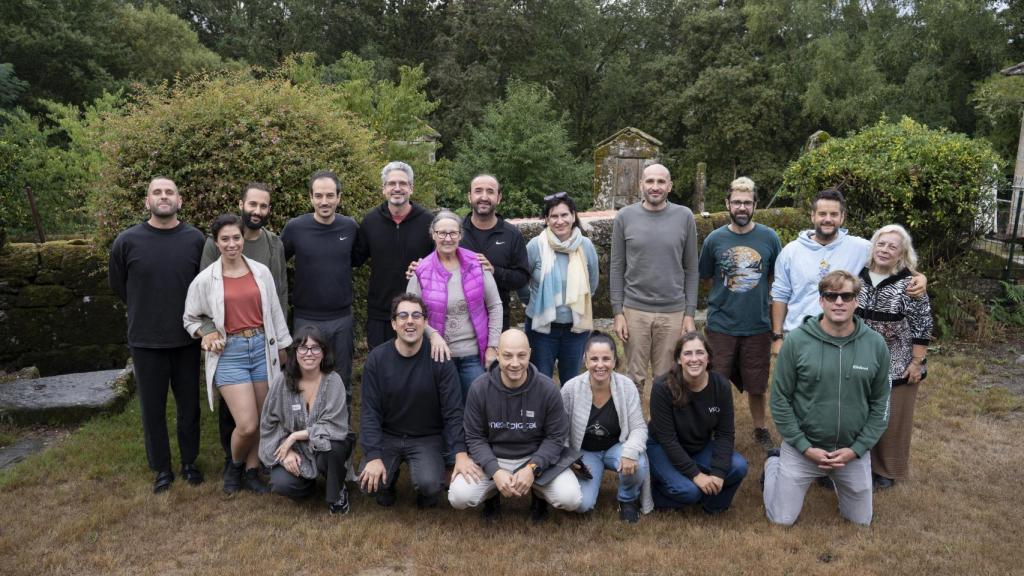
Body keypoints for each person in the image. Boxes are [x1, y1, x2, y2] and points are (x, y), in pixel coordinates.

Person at [764, 270, 891, 526]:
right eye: (831, 296)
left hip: (850, 452)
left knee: (861, 521)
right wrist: (803, 446)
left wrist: (857, 449)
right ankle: (774, 463)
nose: (839, 302)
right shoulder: (796, 341)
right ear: (821, 300)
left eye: (846, 296)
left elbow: (881, 404)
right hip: (803, 449)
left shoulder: (876, 344)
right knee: (781, 519)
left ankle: (843, 479)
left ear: (857, 300)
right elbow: (779, 400)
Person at [109, 176, 206, 493]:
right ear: (147, 201)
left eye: (169, 192)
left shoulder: (195, 240)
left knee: (189, 407)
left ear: (179, 201)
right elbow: (119, 286)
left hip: (187, 339)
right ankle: (161, 468)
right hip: (145, 340)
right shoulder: (127, 241)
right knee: (152, 410)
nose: (163, 196)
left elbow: (205, 288)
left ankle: (189, 462)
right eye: (157, 192)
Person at [183, 213, 292, 494]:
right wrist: (207, 333)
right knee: (247, 424)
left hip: (262, 348)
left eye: (236, 238)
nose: (232, 244)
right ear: (216, 243)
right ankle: (234, 465)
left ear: (243, 239)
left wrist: (282, 346)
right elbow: (191, 317)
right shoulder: (206, 279)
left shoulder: (261, 272)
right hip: (230, 354)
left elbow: (274, 312)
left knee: (264, 419)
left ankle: (252, 471)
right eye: (225, 239)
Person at [357, 294, 483, 508]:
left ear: (425, 322)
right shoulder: (377, 359)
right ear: (393, 323)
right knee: (367, 484)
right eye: (403, 316)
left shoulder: (440, 358)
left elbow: (453, 412)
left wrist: (460, 453)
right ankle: (387, 485)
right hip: (389, 435)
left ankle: (426, 492)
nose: (410, 321)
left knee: (430, 484)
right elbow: (370, 412)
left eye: (416, 316)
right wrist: (373, 456)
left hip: (426, 437)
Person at [771, 187, 926, 354]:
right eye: (822, 214)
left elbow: (891, 261)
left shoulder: (860, 247)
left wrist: (920, 277)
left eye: (834, 214)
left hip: (843, 341)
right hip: (799, 336)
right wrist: (777, 336)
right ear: (813, 216)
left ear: (842, 217)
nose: (828, 219)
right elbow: (780, 295)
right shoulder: (791, 251)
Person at [449, 329, 583, 522]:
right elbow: (475, 437)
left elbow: (555, 437)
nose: (514, 363)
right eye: (507, 355)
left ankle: (539, 496)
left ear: (529, 353)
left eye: (521, 355)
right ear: (497, 354)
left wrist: (533, 467)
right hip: (494, 457)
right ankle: (492, 496)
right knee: (459, 496)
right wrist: (495, 471)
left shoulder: (547, 388)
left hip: (535, 457)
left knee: (570, 498)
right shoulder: (479, 388)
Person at [698, 177, 782, 450]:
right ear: (727, 204)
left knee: (757, 384)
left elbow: (774, 278)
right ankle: (713, 429)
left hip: (757, 324)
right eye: (737, 202)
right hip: (721, 324)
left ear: (755, 205)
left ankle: (760, 428)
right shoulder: (714, 239)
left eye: (747, 202)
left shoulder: (769, 238)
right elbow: (707, 277)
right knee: (715, 381)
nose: (742, 207)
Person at [610, 163, 699, 399]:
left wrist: (689, 314)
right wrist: (618, 312)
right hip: (635, 309)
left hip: (673, 311)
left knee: (668, 379)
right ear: (641, 185)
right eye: (650, 181)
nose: (655, 187)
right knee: (634, 379)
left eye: (661, 182)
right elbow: (617, 266)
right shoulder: (625, 217)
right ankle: (633, 422)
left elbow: (692, 268)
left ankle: (661, 422)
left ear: (670, 186)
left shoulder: (684, 216)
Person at [856, 225, 932, 490]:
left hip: (899, 362)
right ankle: (859, 463)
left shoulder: (910, 284)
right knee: (861, 413)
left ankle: (887, 470)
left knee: (893, 416)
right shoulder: (858, 277)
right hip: (861, 358)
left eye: (892, 246)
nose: (885, 250)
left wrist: (916, 363)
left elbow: (923, 324)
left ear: (902, 253)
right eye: (881, 244)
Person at [646, 332, 748, 514]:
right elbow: (668, 440)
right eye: (688, 353)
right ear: (679, 359)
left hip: (698, 446)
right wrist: (696, 475)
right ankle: (653, 491)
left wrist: (718, 472)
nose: (694, 359)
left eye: (700, 353)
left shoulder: (721, 385)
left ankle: (713, 505)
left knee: (738, 466)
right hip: (661, 447)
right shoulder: (662, 387)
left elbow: (725, 434)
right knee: (689, 491)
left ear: (708, 358)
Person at [407, 210, 502, 399]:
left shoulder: (477, 264)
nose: (448, 238)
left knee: (477, 407)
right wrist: (433, 335)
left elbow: (495, 306)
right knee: (443, 408)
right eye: (442, 233)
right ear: (433, 235)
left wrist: (493, 347)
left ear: (460, 235)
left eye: (453, 233)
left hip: (474, 356)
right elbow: (411, 313)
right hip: (437, 356)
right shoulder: (421, 270)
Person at [281, 169, 358, 399]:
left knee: (341, 381)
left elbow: (357, 259)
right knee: (303, 380)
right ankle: (304, 421)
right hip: (306, 318)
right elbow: (277, 263)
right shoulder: (295, 228)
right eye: (319, 195)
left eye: (330, 195)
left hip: (341, 319)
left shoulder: (350, 227)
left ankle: (340, 422)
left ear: (339, 197)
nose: (324, 201)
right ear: (311, 197)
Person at [259, 326, 353, 514]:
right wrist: (287, 451)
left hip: (329, 443)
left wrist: (295, 436)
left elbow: (335, 426)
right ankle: (307, 485)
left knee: (332, 449)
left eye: (315, 348)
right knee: (281, 483)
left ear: (323, 352)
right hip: (297, 449)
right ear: (295, 352)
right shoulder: (282, 382)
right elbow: (269, 423)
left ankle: (337, 492)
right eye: (303, 348)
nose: (309, 353)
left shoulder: (333, 381)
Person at [561, 332, 649, 522]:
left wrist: (630, 452)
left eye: (606, 359)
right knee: (582, 505)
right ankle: (591, 482)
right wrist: (569, 458)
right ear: (585, 361)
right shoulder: (570, 389)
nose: (600, 365)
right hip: (585, 452)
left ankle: (627, 499)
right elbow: (560, 431)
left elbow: (639, 427)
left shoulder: (627, 387)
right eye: (594, 359)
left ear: (614, 361)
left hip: (616, 447)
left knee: (639, 462)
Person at [353, 162, 435, 350]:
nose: (397, 188)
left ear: (411, 188)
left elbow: (443, 262)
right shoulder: (371, 221)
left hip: (418, 313)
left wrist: (427, 266)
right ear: (384, 189)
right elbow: (355, 259)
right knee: (380, 364)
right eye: (391, 184)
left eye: (403, 183)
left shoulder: (428, 222)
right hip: (380, 313)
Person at [522, 192, 599, 384]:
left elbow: (593, 283)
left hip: (575, 329)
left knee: (572, 383)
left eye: (564, 215)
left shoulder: (586, 246)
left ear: (573, 216)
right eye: (554, 216)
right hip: (541, 329)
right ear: (546, 219)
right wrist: (533, 302)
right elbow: (522, 281)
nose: (560, 221)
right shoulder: (535, 246)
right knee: (540, 382)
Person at [459, 174, 530, 331]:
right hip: (458, 321)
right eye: (478, 191)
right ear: (469, 196)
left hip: (497, 320)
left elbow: (522, 278)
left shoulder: (512, 235)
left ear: (499, 198)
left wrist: (494, 271)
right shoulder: (454, 232)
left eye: (490, 191)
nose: (484, 197)